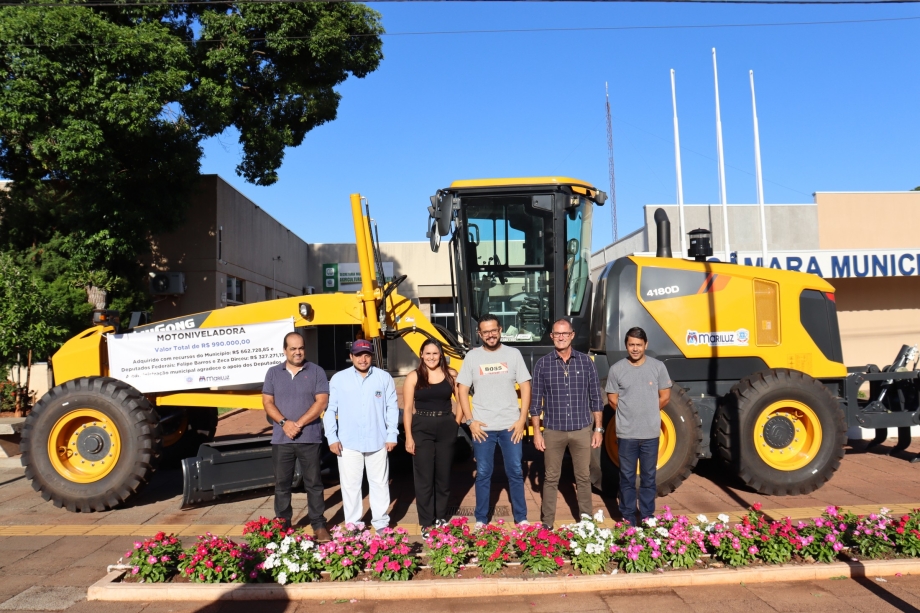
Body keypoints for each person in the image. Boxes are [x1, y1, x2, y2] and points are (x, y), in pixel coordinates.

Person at [457, 314, 532, 527]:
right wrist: (470, 421)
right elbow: (462, 389)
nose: (490, 335)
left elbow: (526, 386)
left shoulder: (513, 354)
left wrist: (522, 419)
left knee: (515, 472)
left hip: (511, 426)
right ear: (479, 334)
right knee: (482, 473)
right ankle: (481, 519)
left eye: (494, 330)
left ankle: (522, 517)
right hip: (483, 427)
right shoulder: (472, 357)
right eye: (485, 332)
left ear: (500, 330)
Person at [530, 318, 604, 527]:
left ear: (572, 335)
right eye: (556, 334)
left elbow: (596, 399)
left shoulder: (586, 362)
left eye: (565, 333)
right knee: (551, 478)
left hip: (582, 429)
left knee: (583, 477)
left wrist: (598, 429)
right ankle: (547, 524)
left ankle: (586, 521)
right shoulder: (542, 364)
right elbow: (535, 403)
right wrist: (537, 432)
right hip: (553, 430)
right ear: (552, 336)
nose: (561, 337)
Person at [262, 331, 331, 541]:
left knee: (314, 483)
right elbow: (267, 402)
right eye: (293, 349)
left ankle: (318, 524)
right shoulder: (273, 373)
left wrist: (298, 423)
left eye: (300, 348)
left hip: (309, 437)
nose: (298, 352)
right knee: (282, 485)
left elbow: (322, 402)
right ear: (285, 350)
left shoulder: (317, 371)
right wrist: (284, 423)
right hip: (281, 439)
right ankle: (282, 524)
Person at [323, 339, 399, 531]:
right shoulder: (339, 379)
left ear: (372, 356)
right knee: (350, 486)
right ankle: (354, 525)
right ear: (351, 356)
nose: (363, 359)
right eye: (358, 355)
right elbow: (330, 409)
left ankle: (381, 522)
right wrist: (332, 438)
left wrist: (392, 434)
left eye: (366, 355)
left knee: (380, 484)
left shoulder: (383, 378)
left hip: (378, 440)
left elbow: (391, 407)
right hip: (348, 442)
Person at [605, 327, 671, 526]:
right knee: (626, 477)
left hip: (651, 433)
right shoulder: (617, 369)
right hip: (627, 434)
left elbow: (665, 396)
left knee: (649, 478)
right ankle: (627, 516)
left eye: (639, 345)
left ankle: (647, 516)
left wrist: (648, 411)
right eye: (631, 345)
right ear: (626, 345)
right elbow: (612, 400)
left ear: (646, 345)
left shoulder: (658, 367)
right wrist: (630, 414)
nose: (635, 349)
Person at [403, 339, 460, 535]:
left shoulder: (451, 374)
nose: (431, 357)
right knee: (424, 478)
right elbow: (408, 409)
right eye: (428, 353)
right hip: (422, 428)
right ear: (421, 354)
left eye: (435, 353)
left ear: (441, 355)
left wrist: (456, 423)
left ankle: (441, 518)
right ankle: (427, 522)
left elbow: (461, 402)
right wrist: (409, 437)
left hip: (446, 426)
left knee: (443, 477)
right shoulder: (413, 377)